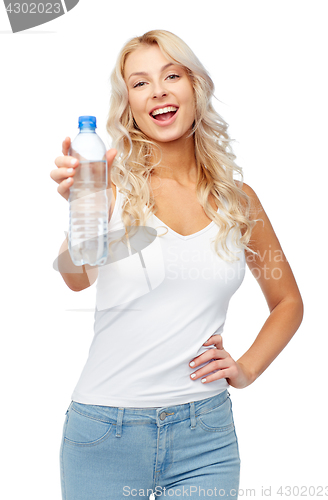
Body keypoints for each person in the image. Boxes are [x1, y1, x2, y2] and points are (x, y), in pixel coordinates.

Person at [50, 30, 303, 500]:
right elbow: (76, 281)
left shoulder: (238, 201)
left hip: (205, 436)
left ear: (195, 89)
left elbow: (288, 302)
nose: (159, 90)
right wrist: (84, 210)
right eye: (140, 83)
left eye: (171, 75)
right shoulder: (109, 186)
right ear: (129, 105)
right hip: (105, 433)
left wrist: (245, 369)